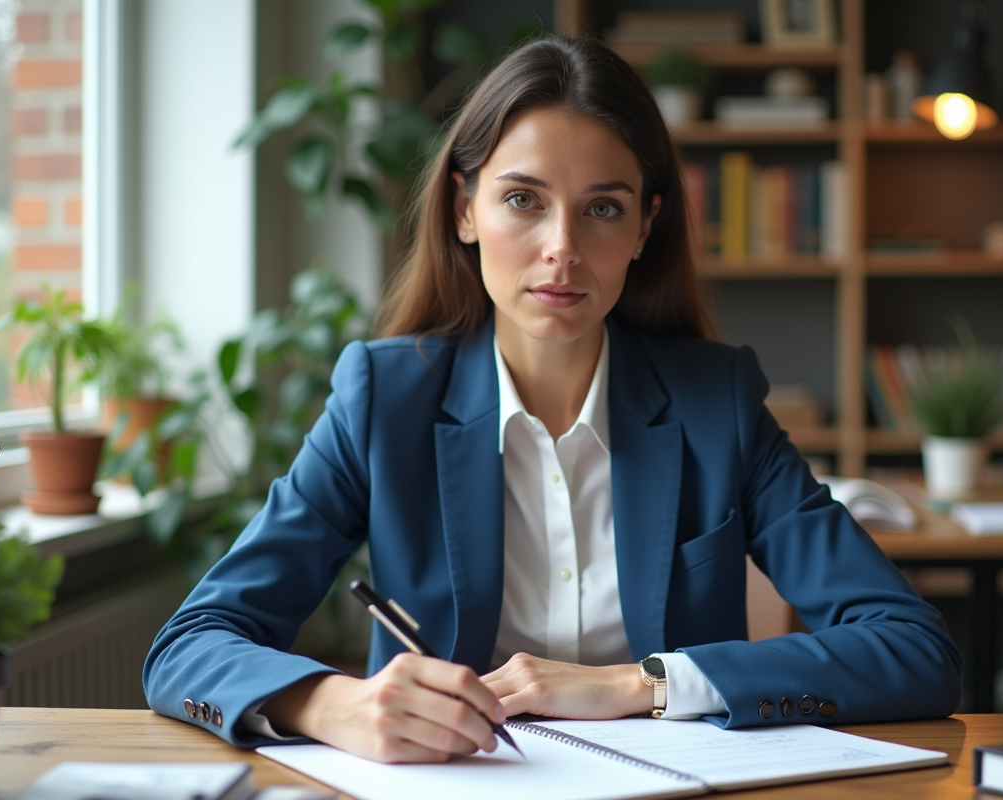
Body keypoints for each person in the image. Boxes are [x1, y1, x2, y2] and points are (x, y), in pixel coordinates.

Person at [143, 35, 961, 765]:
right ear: (464, 210)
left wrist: (642, 684)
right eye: (522, 199)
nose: (562, 249)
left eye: (602, 208)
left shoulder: (718, 404)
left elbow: (914, 649)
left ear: (643, 228)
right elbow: (189, 646)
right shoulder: (383, 400)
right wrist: (332, 705)